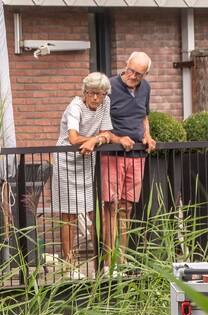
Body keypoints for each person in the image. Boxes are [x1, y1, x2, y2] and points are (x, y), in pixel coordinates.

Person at [48, 72, 132, 274]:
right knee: (68, 216)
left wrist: (98, 140)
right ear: (85, 92)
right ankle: (70, 267)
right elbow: (73, 138)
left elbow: (105, 132)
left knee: (94, 213)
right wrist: (95, 139)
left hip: (87, 161)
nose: (96, 98)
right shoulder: (75, 106)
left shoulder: (105, 103)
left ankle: (103, 266)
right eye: (92, 93)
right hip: (66, 162)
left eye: (101, 94)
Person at [101, 52, 157, 272]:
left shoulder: (146, 88)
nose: (133, 76)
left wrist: (148, 136)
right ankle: (108, 262)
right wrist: (117, 139)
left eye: (139, 74)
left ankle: (121, 260)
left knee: (127, 208)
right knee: (111, 206)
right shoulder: (110, 87)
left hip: (136, 156)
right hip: (113, 154)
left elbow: (144, 116)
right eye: (131, 71)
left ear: (145, 75)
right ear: (126, 65)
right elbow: (100, 123)